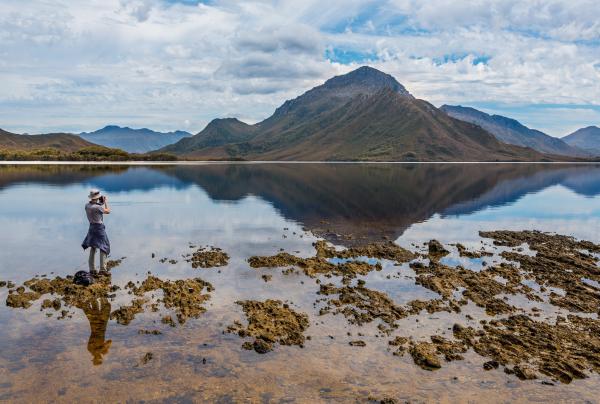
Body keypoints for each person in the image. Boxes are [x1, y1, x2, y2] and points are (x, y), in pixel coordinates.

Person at [82, 189, 111, 276]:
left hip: (91, 227)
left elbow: (95, 206)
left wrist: (100, 202)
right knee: (104, 247)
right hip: (99, 228)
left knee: (93, 247)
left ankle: (92, 269)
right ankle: (102, 269)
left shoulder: (87, 205)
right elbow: (108, 211)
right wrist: (105, 202)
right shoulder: (97, 207)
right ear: (97, 197)